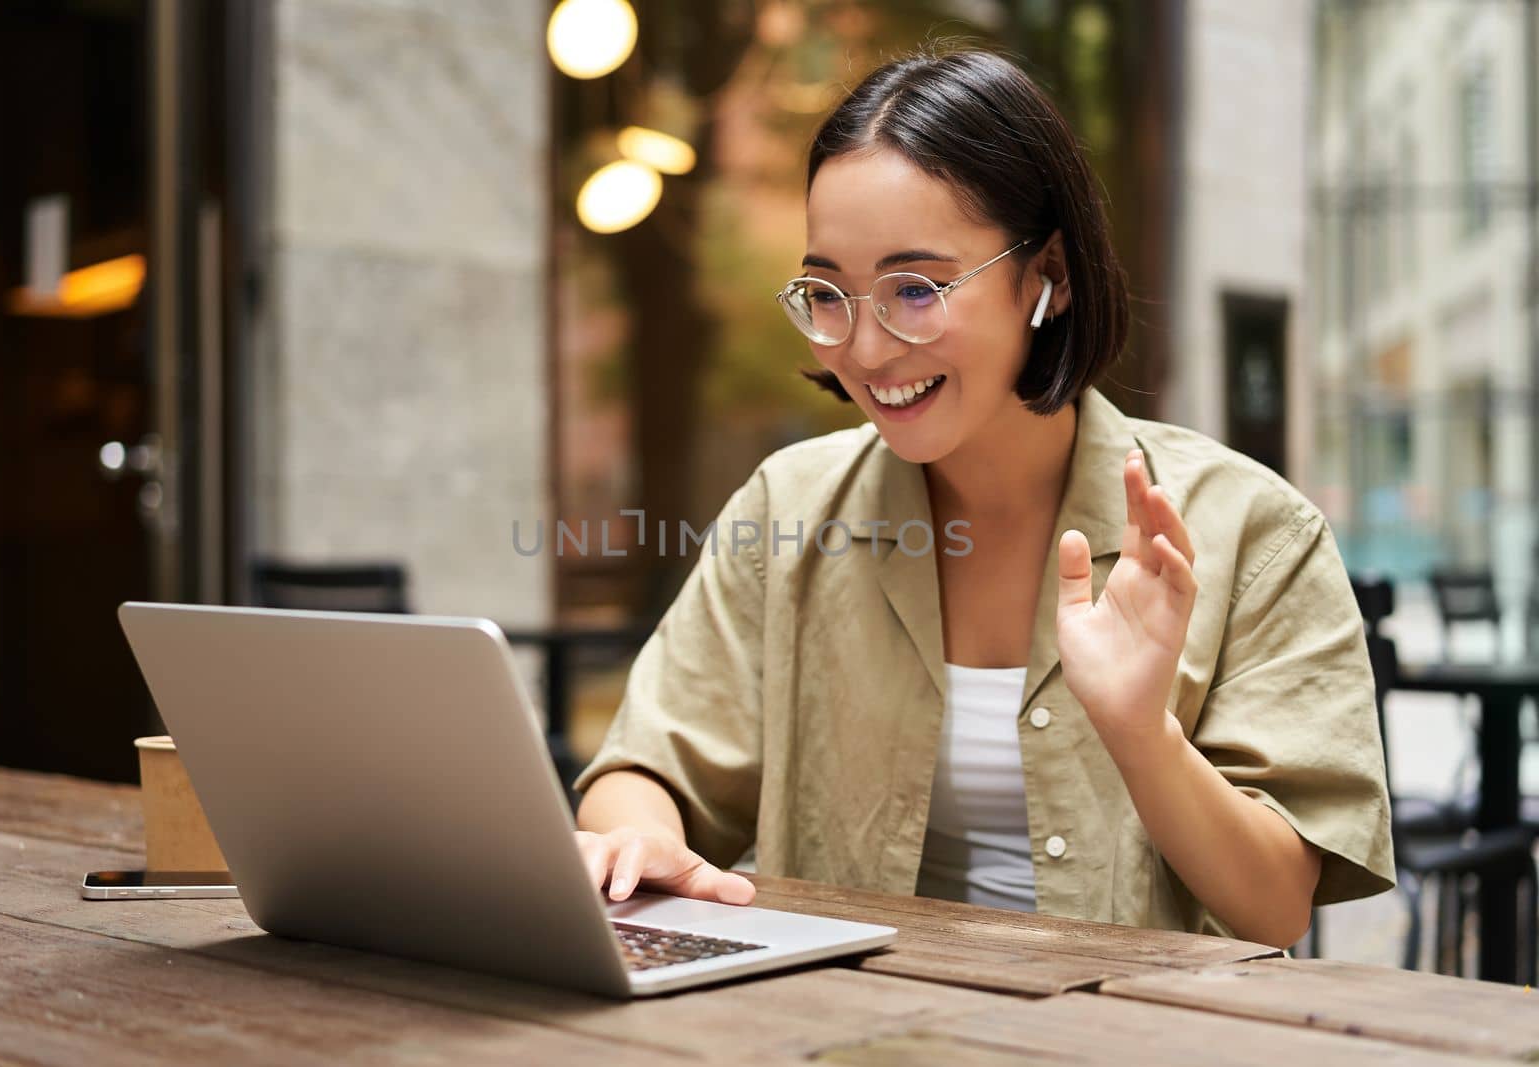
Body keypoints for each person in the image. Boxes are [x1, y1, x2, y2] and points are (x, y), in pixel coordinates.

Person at [571, 47, 1394, 948]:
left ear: (1049, 275)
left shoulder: (1254, 532)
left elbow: (1273, 906)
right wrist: (636, 842)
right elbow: (646, 765)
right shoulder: (789, 510)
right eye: (827, 292)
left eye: (915, 289)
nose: (867, 349)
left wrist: (1141, 733)